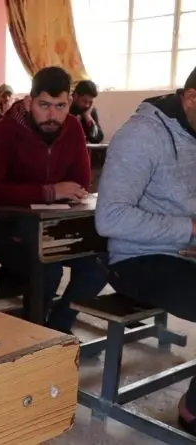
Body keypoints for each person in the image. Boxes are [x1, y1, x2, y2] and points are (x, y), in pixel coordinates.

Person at [95, 66, 196, 434]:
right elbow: (109, 218)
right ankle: (192, 410)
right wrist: (189, 230)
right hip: (137, 259)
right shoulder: (142, 135)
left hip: (183, 251)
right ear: (191, 98)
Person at [0, 66, 106, 333]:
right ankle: (32, 331)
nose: (52, 115)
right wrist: (49, 192)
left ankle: (57, 327)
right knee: (48, 267)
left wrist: (58, 193)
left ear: (69, 102)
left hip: (53, 225)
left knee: (102, 260)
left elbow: (80, 181)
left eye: (60, 106)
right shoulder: (3, 131)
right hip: (1, 225)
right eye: (44, 105)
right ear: (29, 101)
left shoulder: (72, 127)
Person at [70, 80, 104, 144]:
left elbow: (97, 139)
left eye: (90, 102)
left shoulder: (89, 111)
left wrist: (88, 116)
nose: (87, 105)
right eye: (84, 101)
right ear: (75, 96)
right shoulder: (65, 107)